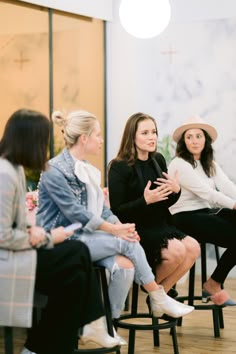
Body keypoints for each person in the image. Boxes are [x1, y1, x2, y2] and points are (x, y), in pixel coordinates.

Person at [36, 109, 194, 330]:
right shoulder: (56, 170)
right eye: (98, 135)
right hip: (63, 239)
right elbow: (76, 213)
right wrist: (116, 229)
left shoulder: (87, 169)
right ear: (84, 138)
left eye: (154, 132)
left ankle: (107, 323)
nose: (101, 140)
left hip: (89, 235)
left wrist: (121, 226)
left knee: (126, 266)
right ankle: (157, 296)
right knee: (128, 242)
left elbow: (101, 208)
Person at [0, 108, 119, 354]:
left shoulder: (14, 170)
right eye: (43, 141)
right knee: (76, 254)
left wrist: (32, 229)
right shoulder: (5, 174)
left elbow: (13, 223)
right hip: (8, 260)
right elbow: (2, 236)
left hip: (18, 252)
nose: (45, 149)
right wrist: (46, 236)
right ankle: (89, 325)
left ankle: (40, 346)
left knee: (76, 265)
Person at [108, 112, 200, 305]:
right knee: (176, 251)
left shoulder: (157, 159)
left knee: (193, 248)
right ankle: (153, 290)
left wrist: (176, 191)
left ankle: (158, 296)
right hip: (136, 229)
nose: (152, 137)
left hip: (160, 224)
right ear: (132, 136)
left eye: (154, 132)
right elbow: (117, 211)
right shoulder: (119, 167)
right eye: (145, 133)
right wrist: (145, 201)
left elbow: (165, 200)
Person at [168, 115, 236, 306]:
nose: (194, 140)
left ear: (205, 139)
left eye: (199, 136)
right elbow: (207, 193)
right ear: (184, 141)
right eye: (189, 137)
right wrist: (233, 204)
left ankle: (214, 282)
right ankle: (214, 284)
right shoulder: (179, 163)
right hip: (183, 217)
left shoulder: (209, 164)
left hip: (205, 213)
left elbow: (227, 186)